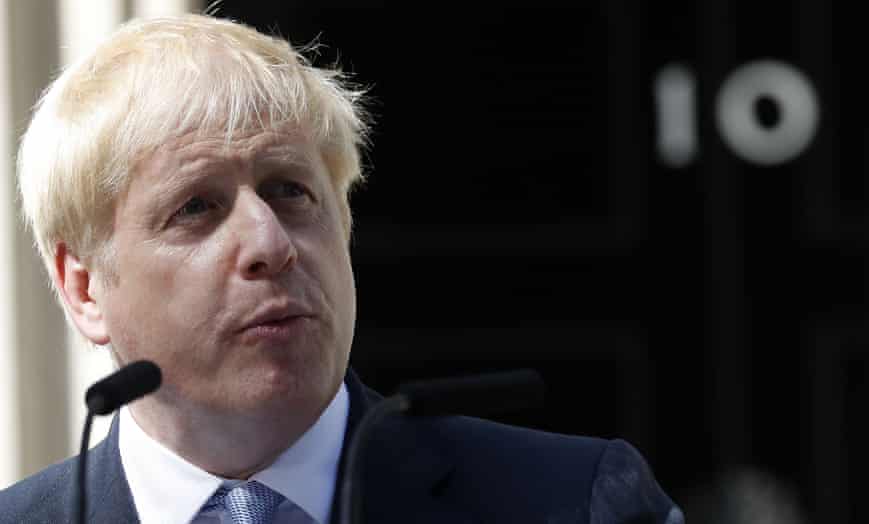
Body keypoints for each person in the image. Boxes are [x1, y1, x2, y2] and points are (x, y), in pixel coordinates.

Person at [0, 13, 682, 524]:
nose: (270, 243)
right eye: (197, 207)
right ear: (84, 288)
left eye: (289, 191)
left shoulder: (576, 503)